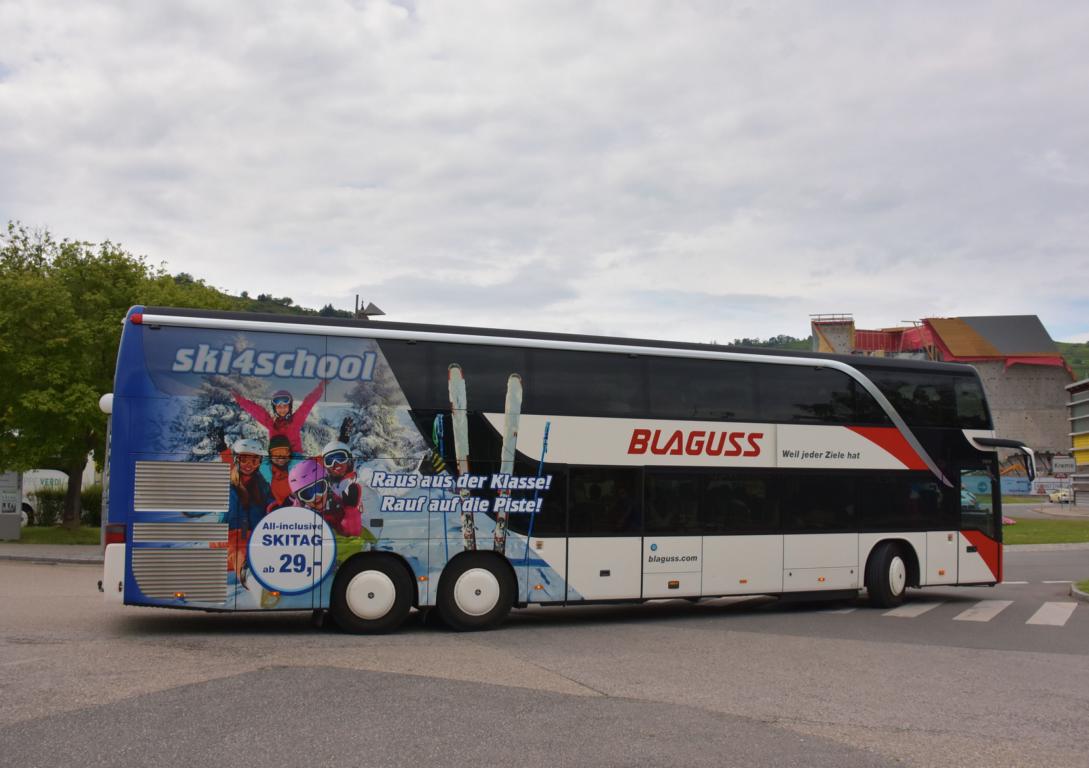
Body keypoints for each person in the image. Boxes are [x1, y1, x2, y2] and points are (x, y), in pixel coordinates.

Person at [231, 380, 326, 455]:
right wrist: (240, 400)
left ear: (290, 407)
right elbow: (256, 411)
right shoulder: (271, 424)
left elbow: (308, 404)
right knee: (264, 466)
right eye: (279, 407)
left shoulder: (296, 421)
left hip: (294, 457)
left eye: (285, 406)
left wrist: (320, 388)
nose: (282, 409)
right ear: (274, 408)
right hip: (276, 458)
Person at [264, 434, 295, 508]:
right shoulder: (267, 472)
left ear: (289, 453)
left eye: (284, 453)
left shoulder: (296, 466)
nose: (281, 458)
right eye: (276, 454)